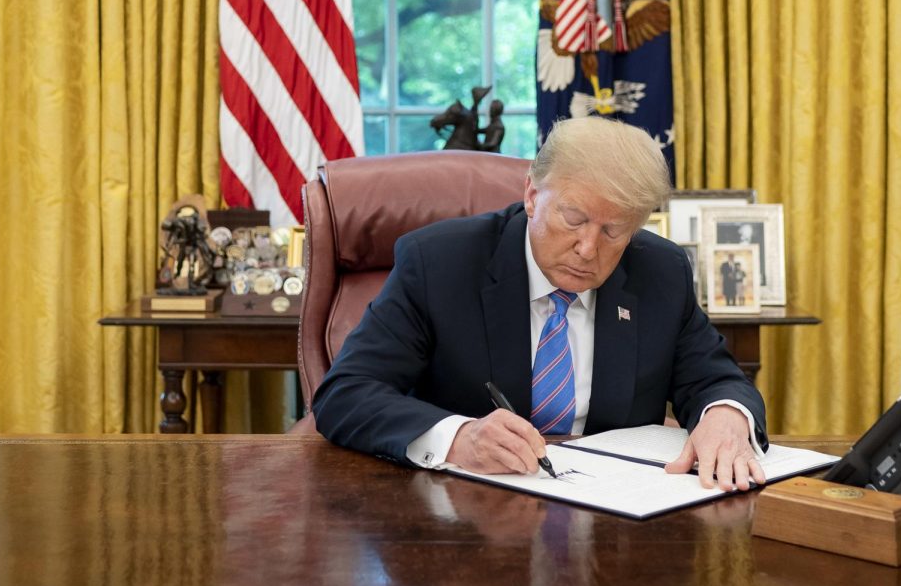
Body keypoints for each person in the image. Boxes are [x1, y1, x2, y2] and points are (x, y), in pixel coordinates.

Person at [313, 117, 767, 492]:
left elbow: (714, 376)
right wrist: (458, 438)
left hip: (619, 521)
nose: (588, 248)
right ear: (532, 194)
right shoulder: (440, 264)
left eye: (614, 231)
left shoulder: (660, 272)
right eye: (574, 218)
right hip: (463, 516)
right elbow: (346, 393)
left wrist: (724, 415)